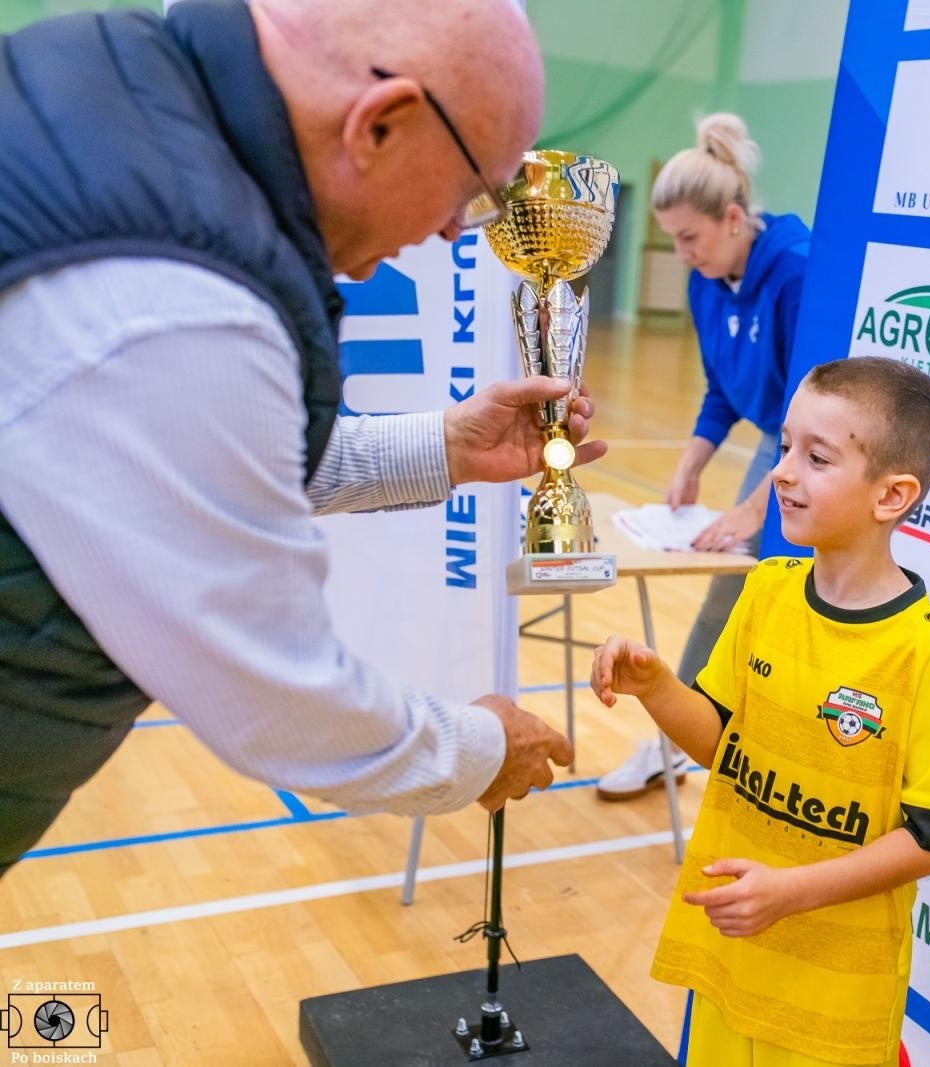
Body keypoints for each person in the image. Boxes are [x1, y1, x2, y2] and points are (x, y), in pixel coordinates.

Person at [0, 0, 591, 877]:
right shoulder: (176, 292)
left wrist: (446, 447)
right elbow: (269, 690)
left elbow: (194, 477)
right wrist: (478, 748)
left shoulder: (126, 99)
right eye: (471, 190)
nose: (450, 230)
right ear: (379, 123)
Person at [591, 357, 930, 1066]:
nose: (783, 472)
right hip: (732, 957)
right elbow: (720, 744)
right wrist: (657, 687)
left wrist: (792, 892)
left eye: (816, 458)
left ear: (892, 495)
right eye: (786, 445)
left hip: (833, 1001)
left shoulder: (928, 654)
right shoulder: (766, 590)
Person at [595, 113, 811, 801]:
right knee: (730, 584)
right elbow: (721, 390)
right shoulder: (706, 280)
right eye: (673, 240)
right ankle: (675, 741)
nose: (682, 253)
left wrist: (751, 508)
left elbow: (812, 415)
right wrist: (691, 463)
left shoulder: (796, 271)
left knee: (781, 588)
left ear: (734, 219)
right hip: (780, 437)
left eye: (690, 237)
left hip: (818, 442)